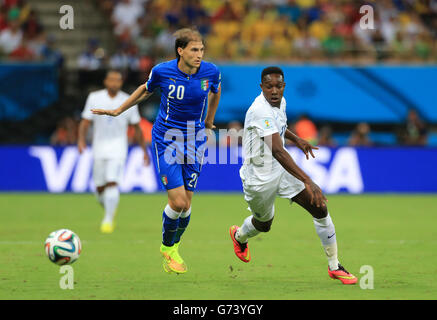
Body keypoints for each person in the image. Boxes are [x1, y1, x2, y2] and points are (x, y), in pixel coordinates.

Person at [91, 28, 221, 274]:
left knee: (187, 206)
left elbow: (215, 91)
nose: (199, 55)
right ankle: (166, 248)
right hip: (167, 139)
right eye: (194, 50)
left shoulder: (211, 72)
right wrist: (119, 109)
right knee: (178, 201)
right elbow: (145, 88)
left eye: (202, 49)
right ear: (180, 51)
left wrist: (209, 120)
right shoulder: (163, 71)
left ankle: (174, 247)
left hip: (194, 140)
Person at [229, 66, 357, 285]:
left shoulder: (281, 103)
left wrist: (296, 139)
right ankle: (239, 235)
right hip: (259, 178)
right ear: (261, 87)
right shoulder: (259, 110)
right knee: (264, 224)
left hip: (281, 169)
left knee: (320, 208)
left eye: (278, 86)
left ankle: (335, 266)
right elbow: (278, 150)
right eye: (269, 86)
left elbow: (280, 127)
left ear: (284, 86)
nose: (274, 91)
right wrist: (308, 180)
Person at [78, 70, 150, 234]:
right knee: (99, 189)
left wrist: (143, 150)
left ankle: (108, 220)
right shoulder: (94, 98)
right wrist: (81, 140)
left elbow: (136, 128)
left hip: (118, 148)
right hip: (99, 147)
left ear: (121, 83)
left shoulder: (128, 100)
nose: (114, 83)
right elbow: (85, 121)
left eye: (118, 80)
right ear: (105, 82)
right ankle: (110, 208)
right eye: (111, 80)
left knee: (112, 182)